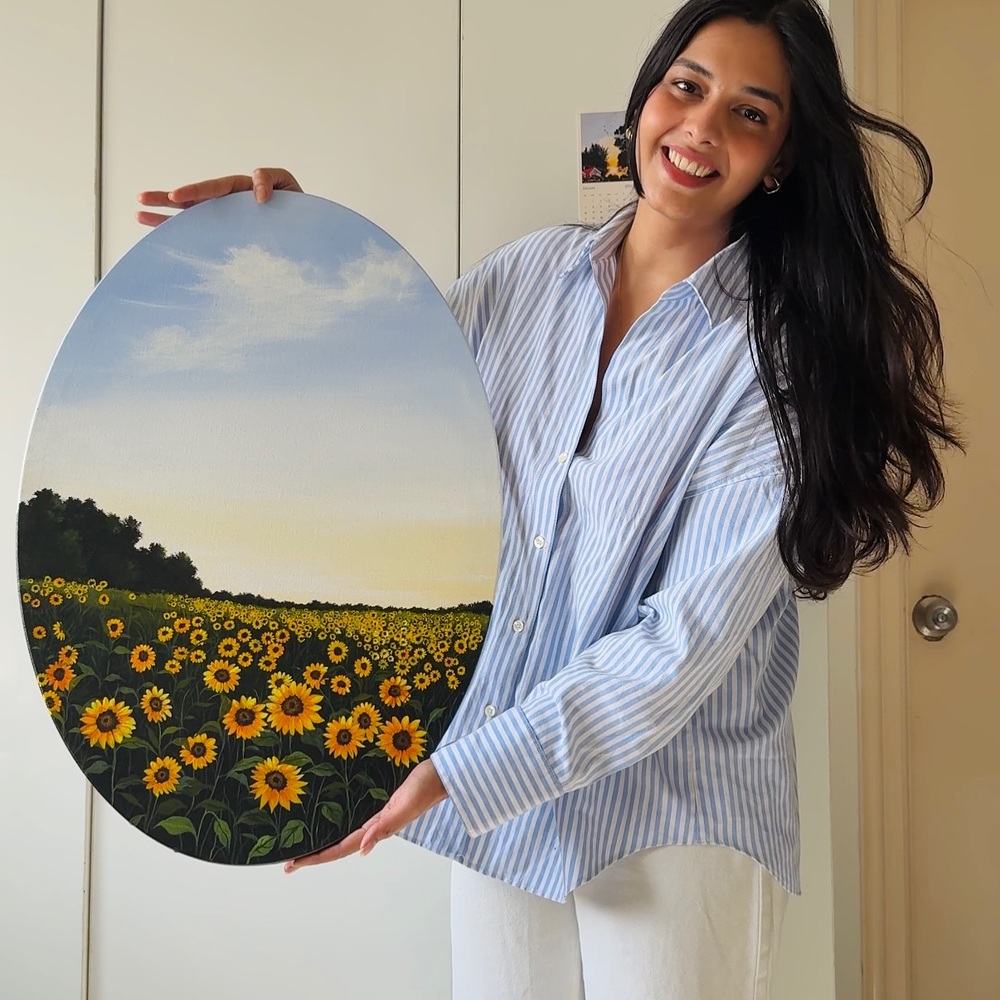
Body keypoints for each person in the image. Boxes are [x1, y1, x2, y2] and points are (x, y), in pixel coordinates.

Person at [137, 1, 959, 996]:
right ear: (645, 96)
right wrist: (293, 252)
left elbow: (680, 644)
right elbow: (381, 397)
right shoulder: (523, 281)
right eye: (685, 86)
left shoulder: (778, 363)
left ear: (780, 159)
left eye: (750, 114)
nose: (700, 126)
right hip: (499, 794)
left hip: (669, 810)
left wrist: (460, 772)